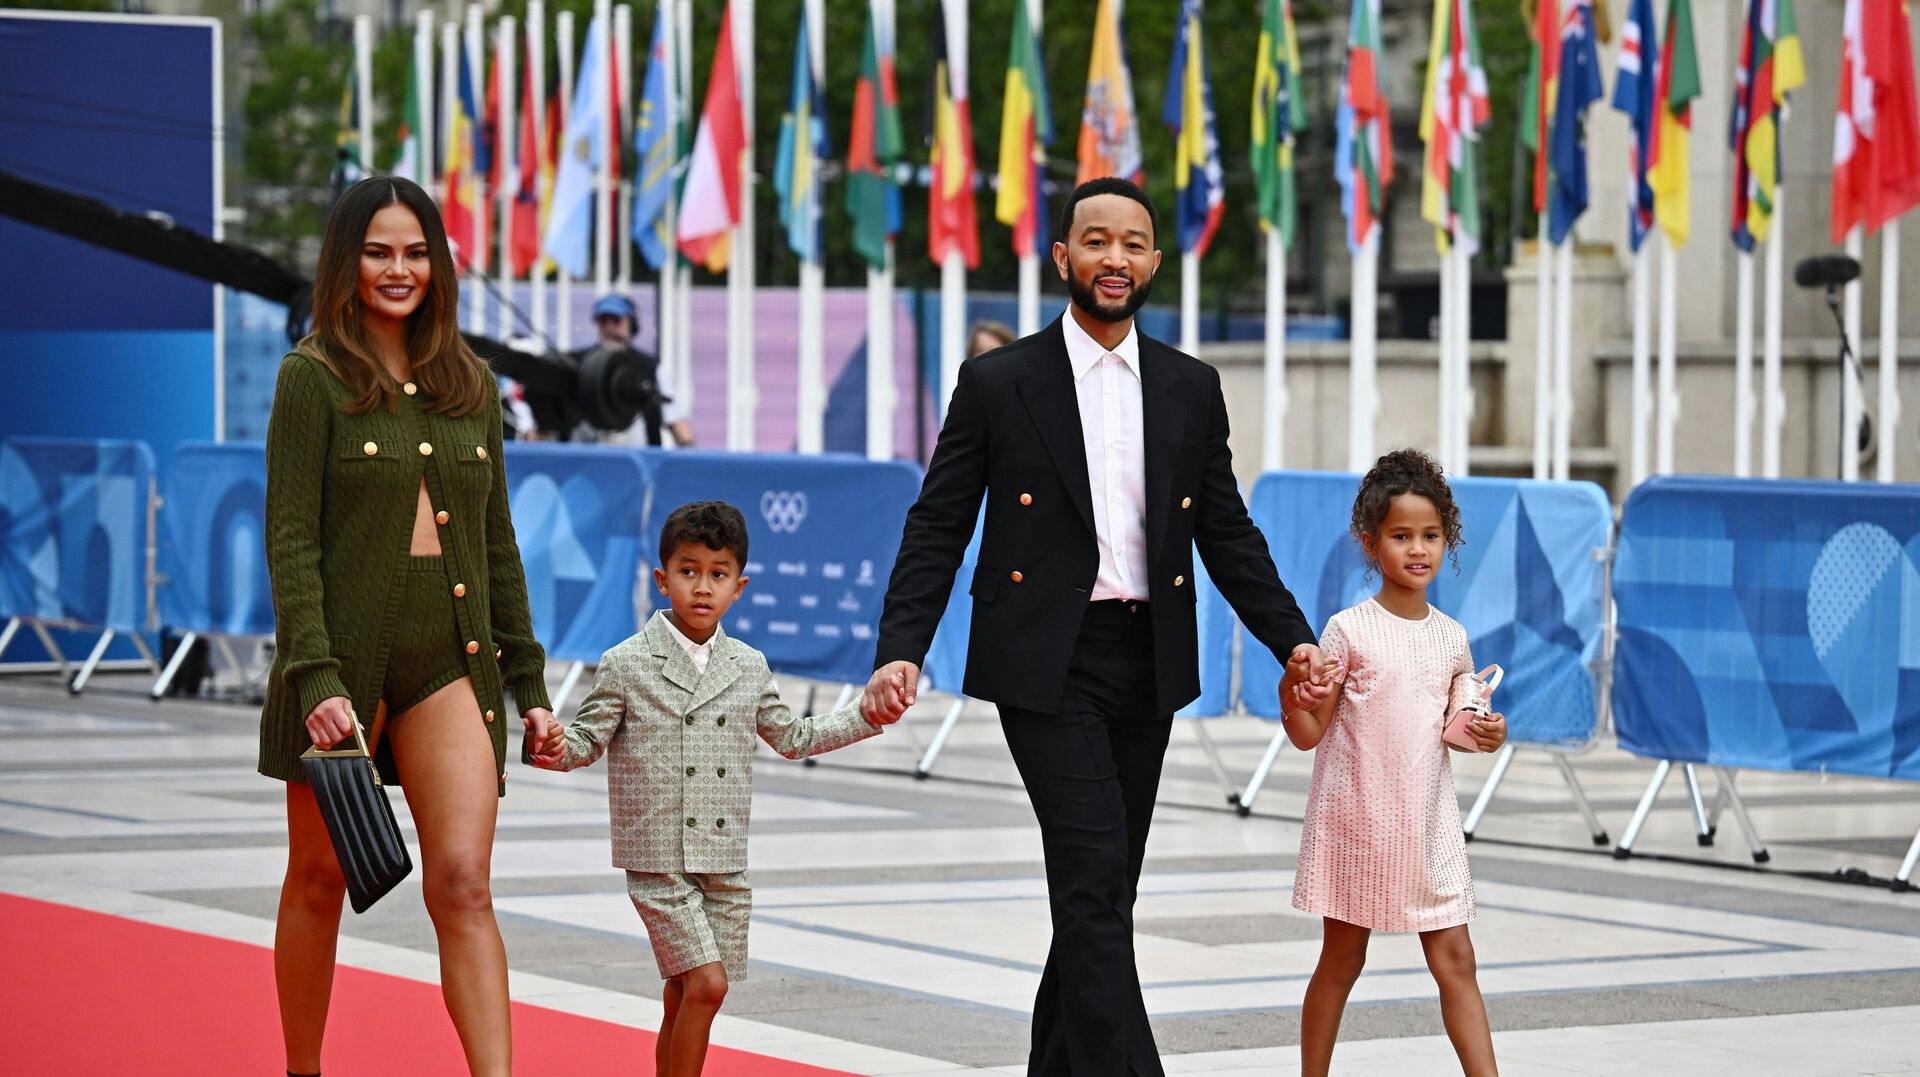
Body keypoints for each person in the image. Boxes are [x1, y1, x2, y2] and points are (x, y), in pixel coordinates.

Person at [860, 176, 1335, 1077]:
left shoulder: (1192, 387)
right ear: (1062, 257)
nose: (1114, 258)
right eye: (1095, 240)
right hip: (1045, 660)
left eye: (1132, 243)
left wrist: (1294, 639)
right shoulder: (1000, 382)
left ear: (1155, 262)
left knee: (1104, 892)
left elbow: (1224, 529)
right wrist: (901, 648)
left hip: (1146, 661)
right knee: (1089, 883)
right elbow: (939, 520)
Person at [258, 176, 564, 1077]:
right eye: (380, 251)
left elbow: (496, 539)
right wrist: (313, 676)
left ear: (439, 263)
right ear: (347, 262)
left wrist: (530, 685)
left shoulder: (470, 383)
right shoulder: (310, 378)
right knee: (318, 881)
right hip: (338, 674)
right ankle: (302, 1070)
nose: (399, 269)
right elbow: (291, 538)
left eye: (417, 251)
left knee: (464, 885)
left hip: (450, 665)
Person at [533, 500, 894, 1077]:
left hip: (724, 862)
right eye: (689, 570)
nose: (703, 586)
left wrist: (868, 715)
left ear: (739, 587)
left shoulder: (748, 666)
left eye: (718, 574)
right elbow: (585, 740)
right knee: (707, 983)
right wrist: (553, 746)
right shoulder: (626, 663)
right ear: (662, 578)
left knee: (684, 994)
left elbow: (795, 736)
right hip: (658, 857)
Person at [1281, 449, 1506, 1077]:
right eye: (1401, 535)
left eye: (1431, 535)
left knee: (1457, 958)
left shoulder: (1453, 638)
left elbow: (1459, 734)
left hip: (1430, 828)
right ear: (1369, 542)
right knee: (1341, 961)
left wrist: (1490, 732)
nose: (1418, 549)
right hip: (1359, 826)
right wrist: (1289, 696)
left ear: (1448, 540)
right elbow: (1307, 734)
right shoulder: (1347, 632)